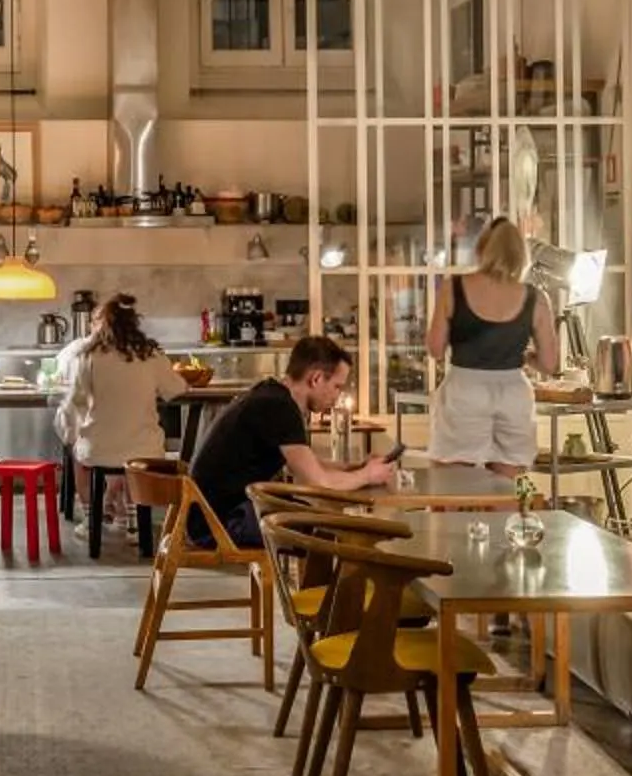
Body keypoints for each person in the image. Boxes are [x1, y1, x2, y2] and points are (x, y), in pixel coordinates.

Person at [186, 334, 393, 549]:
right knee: (333, 529)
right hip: (218, 525)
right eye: (337, 387)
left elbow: (307, 465)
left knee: (324, 521)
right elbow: (318, 481)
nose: (337, 396)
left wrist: (355, 468)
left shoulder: (273, 395)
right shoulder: (280, 407)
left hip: (212, 517)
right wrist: (367, 475)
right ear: (316, 379)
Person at [425, 216, 558, 477]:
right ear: (521, 254)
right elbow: (549, 363)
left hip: (464, 391)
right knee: (510, 487)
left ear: (481, 249)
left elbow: (435, 349)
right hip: (513, 394)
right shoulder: (536, 298)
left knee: (451, 484)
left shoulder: (454, 288)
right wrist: (525, 356)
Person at [63, 294, 185, 558]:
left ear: (100, 325)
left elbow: (77, 401)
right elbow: (175, 390)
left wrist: (73, 431)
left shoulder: (88, 356)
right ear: (134, 323)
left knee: (77, 452)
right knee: (134, 452)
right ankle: (133, 523)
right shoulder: (151, 354)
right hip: (145, 451)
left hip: (98, 449)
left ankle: (91, 518)